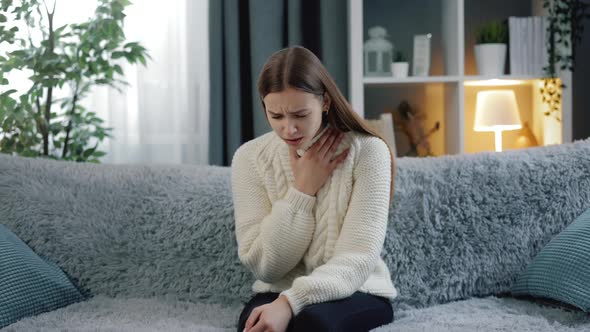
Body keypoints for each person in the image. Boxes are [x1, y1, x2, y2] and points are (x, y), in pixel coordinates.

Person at [231, 46, 397, 332]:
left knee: (313, 324)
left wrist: (290, 302)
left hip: (357, 289)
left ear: (325, 102)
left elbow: (357, 259)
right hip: (274, 290)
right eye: (276, 116)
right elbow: (265, 267)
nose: (289, 130)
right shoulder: (249, 158)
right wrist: (302, 190)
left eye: (300, 114)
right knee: (257, 326)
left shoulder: (369, 152)